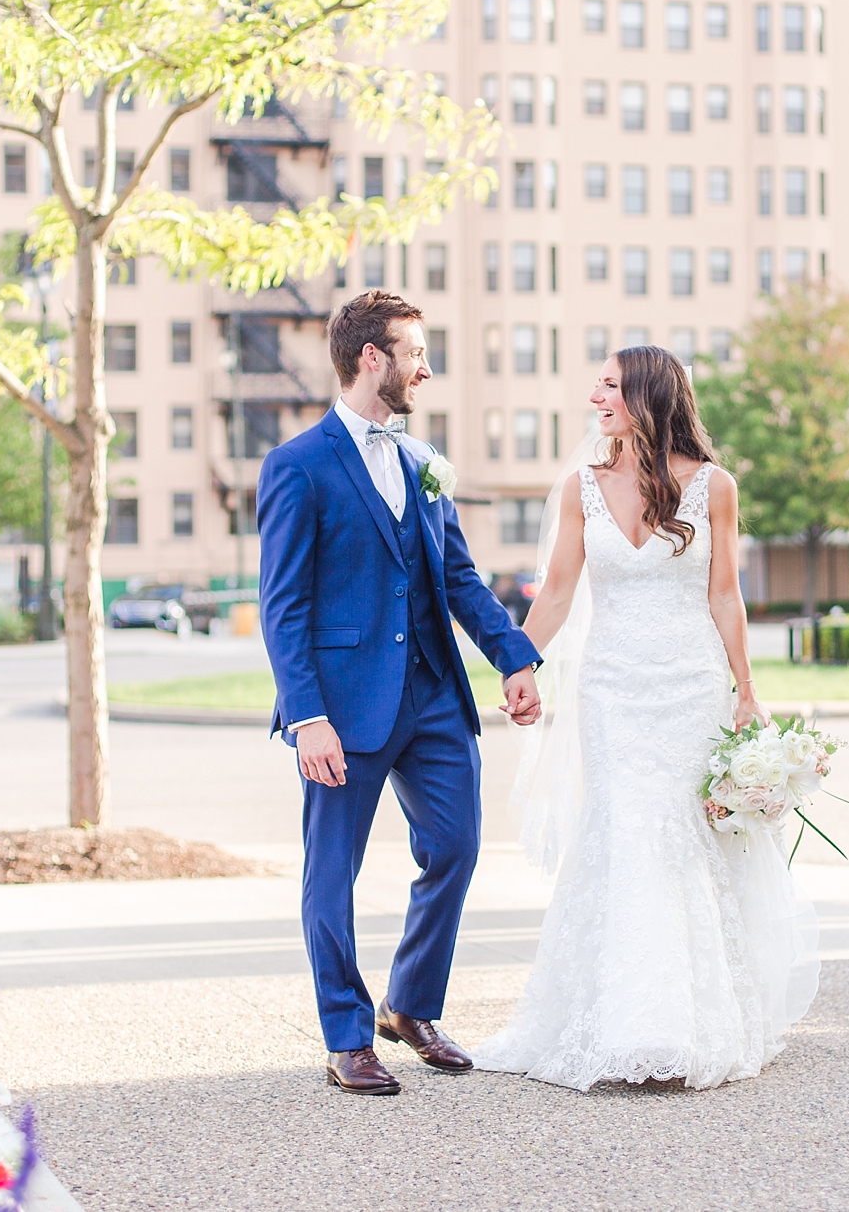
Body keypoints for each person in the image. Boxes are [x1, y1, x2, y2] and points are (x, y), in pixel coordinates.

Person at [472, 346, 820, 1091]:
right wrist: (519, 663)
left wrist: (746, 689)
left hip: (689, 688)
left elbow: (724, 594)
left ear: (648, 396)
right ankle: (628, 1020)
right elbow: (558, 593)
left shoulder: (714, 488)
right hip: (612, 692)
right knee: (626, 834)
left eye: (610, 384)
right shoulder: (580, 489)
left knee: (682, 840)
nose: (594, 394)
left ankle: (688, 1020)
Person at [256, 289, 544, 1097]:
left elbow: (458, 578)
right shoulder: (296, 466)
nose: (427, 367)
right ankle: (346, 1035)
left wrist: (513, 658)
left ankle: (410, 1006)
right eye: (416, 352)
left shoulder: (424, 464)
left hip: (432, 698)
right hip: (343, 711)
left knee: (455, 845)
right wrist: (307, 717)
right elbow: (284, 606)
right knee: (331, 872)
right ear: (372, 358)